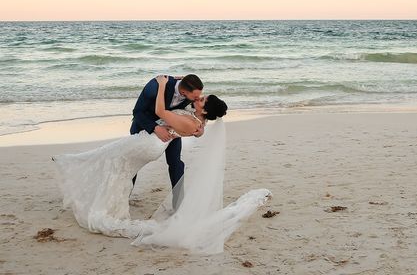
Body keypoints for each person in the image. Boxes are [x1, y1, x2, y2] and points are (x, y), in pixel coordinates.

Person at [52, 76, 271, 254]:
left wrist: (163, 86)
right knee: (119, 165)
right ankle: (114, 195)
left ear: (203, 109)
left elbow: (162, 112)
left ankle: (72, 167)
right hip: (149, 135)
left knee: (109, 158)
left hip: (153, 142)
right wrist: (171, 87)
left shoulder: (189, 113)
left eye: (202, 99)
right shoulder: (196, 120)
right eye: (198, 96)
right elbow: (142, 113)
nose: (199, 98)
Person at [130, 74, 204, 192]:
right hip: (143, 127)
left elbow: (197, 113)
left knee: (176, 163)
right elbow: (137, 112)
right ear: (184, 91)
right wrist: (156, 128)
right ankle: (125, 198)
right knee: (133, 164)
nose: (198, 98)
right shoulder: (154, 86)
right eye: (195, 96)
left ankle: (178, 203)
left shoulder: (191, 93)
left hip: (172, 129)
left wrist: (200, 130)